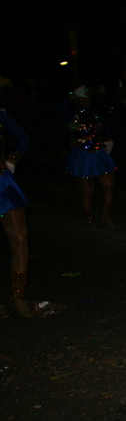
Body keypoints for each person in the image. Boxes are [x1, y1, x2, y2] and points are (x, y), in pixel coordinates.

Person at [60, 87, 117, 229]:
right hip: (81, 153)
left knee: (109, 184)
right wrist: (71, 95)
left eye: (89, 98)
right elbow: (60, 109)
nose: (87, 101)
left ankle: (106, 215)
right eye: (84, 98)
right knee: (87, 189)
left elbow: (105, 128)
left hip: (98, 152)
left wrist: (109, 140)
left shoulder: (95, 113)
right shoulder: (71, 113)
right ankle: (90, 218)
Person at [0, 111, 34, 319]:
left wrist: (13, 159)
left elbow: (24, 138)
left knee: (20, 239)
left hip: (2, 182)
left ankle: (18, 297)